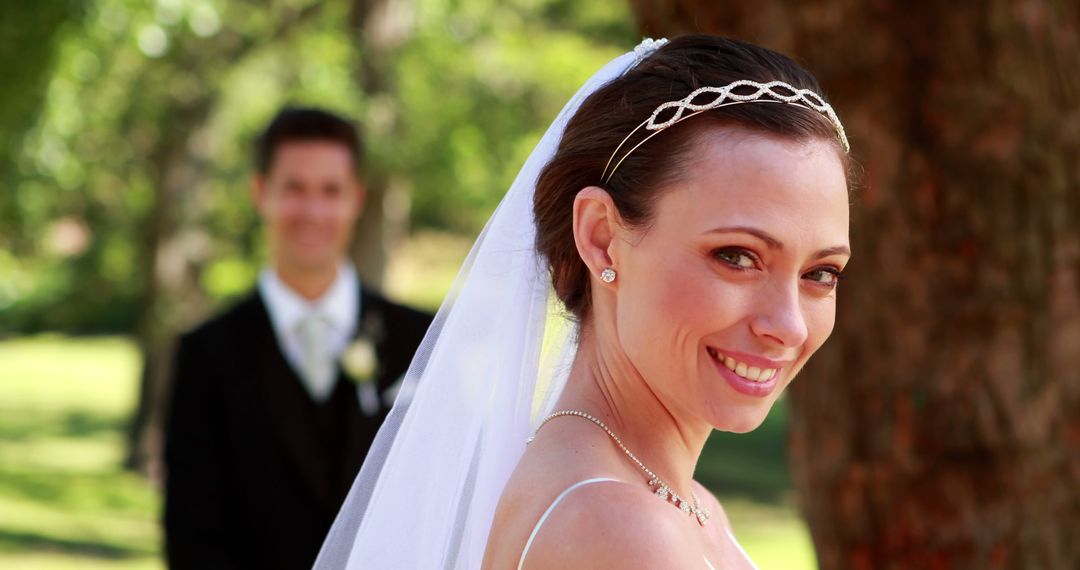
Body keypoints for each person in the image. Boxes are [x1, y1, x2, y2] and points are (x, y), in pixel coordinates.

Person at [316, 35, 852, 569]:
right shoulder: (620, 528)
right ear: (600, 237)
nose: (788, 325)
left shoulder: (681, 506)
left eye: (820, 273)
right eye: (737, 256)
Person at [163, 107, 433, 569]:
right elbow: (192, 534)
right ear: (260, 193)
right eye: (295, 189)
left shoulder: (422, 341)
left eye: (331, 191)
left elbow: (442, 503)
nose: (313, 211)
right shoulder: (206, 354)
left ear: (356, 199)